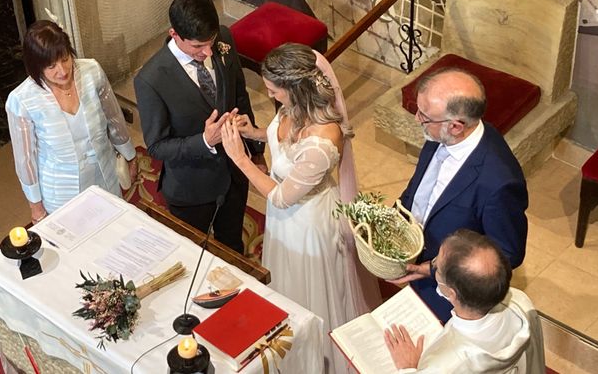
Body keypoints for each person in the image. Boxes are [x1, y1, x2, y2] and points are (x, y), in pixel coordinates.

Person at [221, 43, 380, 374]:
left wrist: (240, 158)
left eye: (273, 90)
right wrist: (253, 132)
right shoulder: (293, 107)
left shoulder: (323, 141)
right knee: (284, 281)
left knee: (311, 293)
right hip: (286, 221)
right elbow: (280, 140)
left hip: (308, 223)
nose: (271, 95)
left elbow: (280, 197)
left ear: (295, 88)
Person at [392, 67, 528, 322]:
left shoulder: (498, 182)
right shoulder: (440, 133)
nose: (417, 119)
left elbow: (507, 254)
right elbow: (419, 191)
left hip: (449, 295)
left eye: (424, 115)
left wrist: (434, 268)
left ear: (456, 126)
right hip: (413, 265)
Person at [133, 0, 264, 253]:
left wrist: (256, 151)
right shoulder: (151, 80)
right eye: (197, 47)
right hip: (191, 189)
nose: (207, 52)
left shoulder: (223, 38)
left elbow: (239, 94)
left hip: (234, 174)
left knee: (232, 247)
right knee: (192, 254)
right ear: (174, 34)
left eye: (210, 42)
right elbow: (158, 146)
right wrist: (205, 141)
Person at [6, 20, 137, 224]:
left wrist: (129, 155)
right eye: (51, 66)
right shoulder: (22, 99)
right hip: (61, 187)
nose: (63, 70)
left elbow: (114, 117)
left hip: (104, 171)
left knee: (114, 227)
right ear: (36, 67)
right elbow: (25, 160)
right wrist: (35, 206)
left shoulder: (91, 71)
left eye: (65, 59)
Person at [384, 229, 545, 373]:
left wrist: (408, 368)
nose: (432, 267)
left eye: (436, 266)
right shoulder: (521, 302)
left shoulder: (445, 363)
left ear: (451, 293)